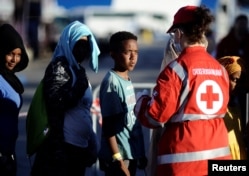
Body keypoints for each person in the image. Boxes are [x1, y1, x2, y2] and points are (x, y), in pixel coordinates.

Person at [134, 5, 232, 176]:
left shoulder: (176, 70)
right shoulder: (220, 69)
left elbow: (155, 116)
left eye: (174, 35)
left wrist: (141, 102)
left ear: (179, 33)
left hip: (183, 164)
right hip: (221, 159)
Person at [30, 20, 100, 176]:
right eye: (78, 44)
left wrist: (91, 142)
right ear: (69, 43)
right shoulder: (60, 68)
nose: (82, 50)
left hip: (77, 149)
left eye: (85, 45)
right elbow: (56, 103)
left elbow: (83, 111)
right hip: (60, 151)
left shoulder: (77, 70)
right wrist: (79, 87)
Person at [98, 31, 147, 176]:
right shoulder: (112, 83)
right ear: (113, 54)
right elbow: (108, 126)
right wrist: (118, 160)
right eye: (127, 52)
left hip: (131, 154)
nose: (133, 57)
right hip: (119, 158)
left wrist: (140, 153)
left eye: (136, 52)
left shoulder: (126, 78)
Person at [0, 23, 29, 176]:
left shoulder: (10, 79)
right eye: (10, 53)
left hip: (8, 154)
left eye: (19, 55)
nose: (14, 59)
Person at [216, 14, 249, 130]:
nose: (242, 27)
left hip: (246, 87)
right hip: (228, 86)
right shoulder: (226, 42)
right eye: (240, 24)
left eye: (244, 24)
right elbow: (218, 62)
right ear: (235, 25)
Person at [218, 56, 247, 160]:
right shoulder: (215, 109)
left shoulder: (238, 108)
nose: (238, 85)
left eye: (241, 81)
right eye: (234, 79)